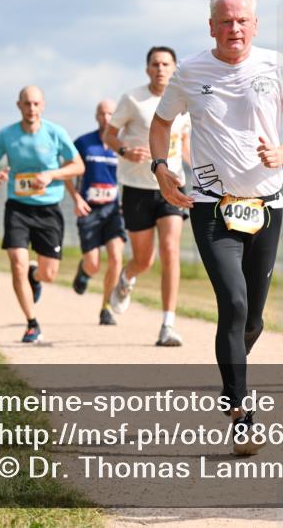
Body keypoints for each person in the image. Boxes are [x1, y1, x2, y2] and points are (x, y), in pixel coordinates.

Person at [151, 0, 283, 454]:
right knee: (234, 302)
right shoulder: (190, 72)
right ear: (211, 27)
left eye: (242, 20)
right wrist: (162, 167)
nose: (234, 29)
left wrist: (282, 152)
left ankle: (231, 379)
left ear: (256, 25)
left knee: (254, 318)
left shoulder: (276, 66)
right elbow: (162, 123)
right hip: (211, 206)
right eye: (225, 22)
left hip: (266, 207)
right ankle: (242, 413)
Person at [103, 46, 191, 345]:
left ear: (175, 67)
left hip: (171, 187)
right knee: (145, 260)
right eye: (155, 64)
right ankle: (127, 277)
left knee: (170, 251)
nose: (161, 69)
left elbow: (187, 145)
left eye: (166, 64)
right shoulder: (133, 99)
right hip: (137, 188)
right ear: (147, 69)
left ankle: (168, 325)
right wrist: (125, 151)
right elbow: (110, 135)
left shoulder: (184, 100)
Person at [0, 86, 84, 343]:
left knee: (49, 274)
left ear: (43, 105)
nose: (31, 109)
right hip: (18, 207)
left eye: (36, 104)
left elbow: (77, 165)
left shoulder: (55, 132)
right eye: (27, 104)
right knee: (17, 262)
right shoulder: (6, 135)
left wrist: (51, 175)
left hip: (49, 209)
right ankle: (31, 323)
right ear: (19, 105)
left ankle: (35, 276)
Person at [65, 100, 127, 326]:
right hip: (89, 210)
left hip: (113, 211)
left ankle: (106, 307)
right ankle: (84, 271)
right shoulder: (83, 143)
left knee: (116, 257)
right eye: (102, 113)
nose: (106, 117)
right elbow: (67, 171)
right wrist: (76, 198)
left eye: (111, 113)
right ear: (96, 116)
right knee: (93, 263)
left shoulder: (122, 145)